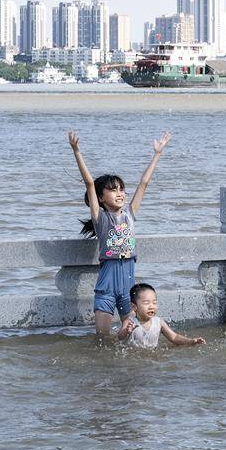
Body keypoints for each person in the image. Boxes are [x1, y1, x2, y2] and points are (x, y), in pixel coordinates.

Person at [68, 129, 171, 338]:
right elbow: (89, 183)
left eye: (122, 189)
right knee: (103, 341)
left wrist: (157, 154)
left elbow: (144, 183)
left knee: (130, 339)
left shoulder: (130, 214)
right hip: (106, 286)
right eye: (113, 190)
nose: (120, 193)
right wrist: (76, 150)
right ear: (102, 197)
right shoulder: (101, 219)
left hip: (128, 288)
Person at [118, 283, 206, 348]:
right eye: (146, 303)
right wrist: (126, 331)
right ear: (134, 306)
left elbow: (174, 337)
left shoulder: (159, 322)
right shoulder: (130, 322)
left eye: (154, 303)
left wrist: (191, 341)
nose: (151, 306)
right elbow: (120, 337)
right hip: (133, 356)